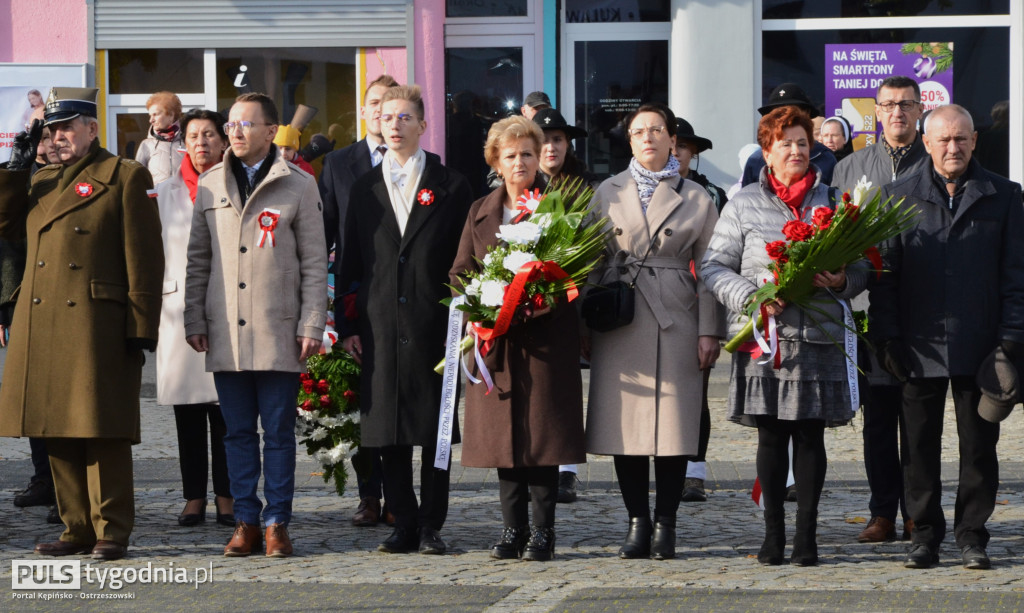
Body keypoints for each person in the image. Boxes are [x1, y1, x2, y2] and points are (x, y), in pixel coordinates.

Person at [0, 87, 165, 561]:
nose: (59, 135)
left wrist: (141, 327)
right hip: (43, 321)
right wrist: (17, 164)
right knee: (55, 426)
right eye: (52, 128)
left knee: (101, 429)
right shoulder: (41, 180)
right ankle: (75, 527)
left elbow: (146, 258)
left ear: (93, 128)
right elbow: (6, 226)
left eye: (68, 126)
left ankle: (111, 528)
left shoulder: (124, 175)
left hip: (98, 322)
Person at [702, 106, 867, 566]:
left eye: (802, 142)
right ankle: (773, 534)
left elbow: (862, 267)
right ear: (767, 153)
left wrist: (839, 281)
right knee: (771, 439)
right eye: (785, 143)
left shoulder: (833, 201)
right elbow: (715, 267)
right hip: (764, 340)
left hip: (817, 337)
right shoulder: (743, 203)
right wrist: (753, 297)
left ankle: (807, 538)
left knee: (811, 439)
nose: (795, 150)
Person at [871, 104, 1024, 570]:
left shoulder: (1004, 195)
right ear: (927, 141)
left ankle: (972, 534)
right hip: (918, 347)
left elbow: (1016, 275)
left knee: (979, 448)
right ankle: (925, 534)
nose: (953, 148)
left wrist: (1012, 339)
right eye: (944, 140)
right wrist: (888, 337)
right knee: (917, 448)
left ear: (975, 140)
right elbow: (885, 277)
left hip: (983, 348)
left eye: (961, 139)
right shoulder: (897, 195)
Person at [184, 92, 327, 558]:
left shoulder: (299, 185)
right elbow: (197, 260)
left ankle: (276, 523)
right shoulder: (209, 185)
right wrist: (194, 317)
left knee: (280, 433)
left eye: (247, 124)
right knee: (237, 432)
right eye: (231, 124)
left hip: (279, 328)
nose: (236, 132)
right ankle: (245, 520)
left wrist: (311, 323)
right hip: (225, 328)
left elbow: (312, 263)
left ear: (272, 131)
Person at [583, 104, 722, 560]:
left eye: (657, 130)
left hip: (677, 316)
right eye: (639, 131)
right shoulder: (606, 191)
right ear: (629, 141)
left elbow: (711, 270)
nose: (648, 138)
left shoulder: (698, 198)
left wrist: (709, 331)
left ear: (672, 139)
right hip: (621, 315)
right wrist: (586, 320)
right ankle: (636, 521)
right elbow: (588, 261)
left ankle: (666, 523)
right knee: (627, 427)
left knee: (675, 429)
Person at [338, 84, 473, 556]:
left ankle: (432, 523)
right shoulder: (364, 188)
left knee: (434, 429)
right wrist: (348, 324)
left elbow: (466, 257)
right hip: (378, 325)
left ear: (422, 124)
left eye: (404, 117)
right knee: (386, 430)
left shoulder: (452, 185)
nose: (393, 125)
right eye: (387, 117)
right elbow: (350, 263)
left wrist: (467, 318)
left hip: (434, 324)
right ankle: (402, 520)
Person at [450, 115, 586, 562]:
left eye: (528, 153)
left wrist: (529, 306)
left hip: (546, 339)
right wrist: (478, 307)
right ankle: (512, 530)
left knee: (542, 440)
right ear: (496, 161)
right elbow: (460, 272)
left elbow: (575, 273)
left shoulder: (559, 208)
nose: (520, 161)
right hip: (497, 345)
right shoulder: (479, 209)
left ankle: (543, 533)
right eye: (510, 155)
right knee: (504, 441)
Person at [832, 76, 931, 545]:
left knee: (918, 417)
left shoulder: (936, 162)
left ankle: (919, 511)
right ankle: (882, 513)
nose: (898, 113)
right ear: (876, 111)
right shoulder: (850, 168)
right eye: (889, 105)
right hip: (867, 306)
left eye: (907, 105)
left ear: (919, 109)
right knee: (877, 417)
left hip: (923, 310)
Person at [318, 73, 399, 527]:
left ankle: (398, 496)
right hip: (352, 295)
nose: (382, 111)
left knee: (396, 397)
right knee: (359, 401)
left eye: (390, 104)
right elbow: (324, 230)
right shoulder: (339, 163)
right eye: (374, 104)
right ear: (364, 111)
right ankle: (369, 494)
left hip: (400, 296)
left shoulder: (421, 163)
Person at [155, 108, 234, 529]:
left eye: (209, 134)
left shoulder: (236, 186)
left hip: (225, 310)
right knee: (187, 411)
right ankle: (193, 497)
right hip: (176, 311)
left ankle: (227, 496)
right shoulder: (163, 192)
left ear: (224, 140)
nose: (201, 142)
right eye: (193, 135)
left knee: (226, 411)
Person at [531, 106, 592, 502]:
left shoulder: (585, 189)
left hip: (572, 299)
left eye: (557, 139)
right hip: (526, 301)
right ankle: (534, 458)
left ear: (567, 145)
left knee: (567, 385)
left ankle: (566, 469)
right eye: (543, 139)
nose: (550, 146)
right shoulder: (516, 184)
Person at [670, 116, 729, 503]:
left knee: (698, 392)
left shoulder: (712, 195)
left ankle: (695, 471)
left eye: (683, 147)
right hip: (665, 299)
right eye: (671, 146)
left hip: (699, 296)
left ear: (694, 153)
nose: (675, 153)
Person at [740, 83, 837, 187]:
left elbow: (836, 198)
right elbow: (747, 197)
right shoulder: (756, 160)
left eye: (794, 115)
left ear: (807, 117)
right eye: (779, 115)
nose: (787, 120)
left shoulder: (825, 157)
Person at [135, 91, 186, 185]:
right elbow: (138, 179)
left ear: (171, 115)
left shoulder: (188, 141)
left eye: (155, 114)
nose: (151, 120)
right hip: (156, 199)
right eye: (150, 115)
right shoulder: (146, 144)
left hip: (185, 198)